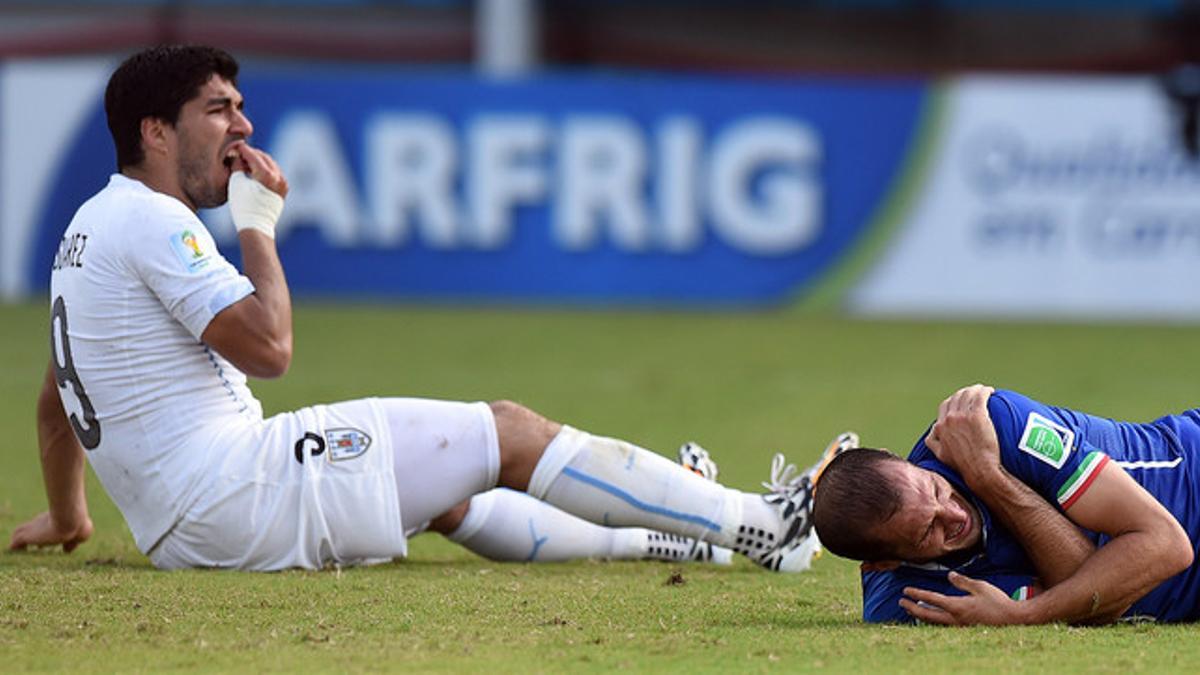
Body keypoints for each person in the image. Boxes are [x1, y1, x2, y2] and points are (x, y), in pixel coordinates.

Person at [10, 44, 832, 573]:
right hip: (238, 495)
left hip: (190, 522)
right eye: (219, 107)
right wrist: (258, 228)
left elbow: (57, 401)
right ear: (155, 130)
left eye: (240, 104)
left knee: (446, 491)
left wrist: (72, 516)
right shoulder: (156, 222)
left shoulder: (88, 229)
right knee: (506, 431)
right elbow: (270, 347)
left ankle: (675, 534)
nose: (244, 123)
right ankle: (759, 524)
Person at [812, 384, 1200, 625]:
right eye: (927, 530)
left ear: (897, 457)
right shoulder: (908, 601)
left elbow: (1167, 544)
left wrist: (990, 478)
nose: (954, 514)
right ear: (885, 564)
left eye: (934, 489)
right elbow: (1090, 593)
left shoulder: (991, 424)